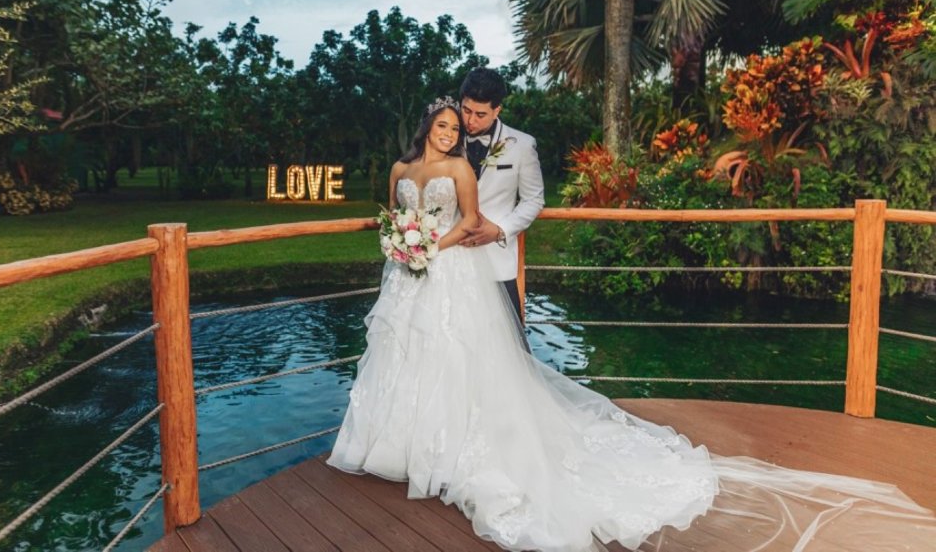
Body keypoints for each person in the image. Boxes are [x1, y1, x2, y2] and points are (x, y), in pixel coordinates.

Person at [327, 97, 936, 552]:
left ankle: (453, 447)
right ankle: (402, 447)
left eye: (461, 124)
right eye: (448, 123)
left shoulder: (489, 159)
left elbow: (492, 213)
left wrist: (440, 246)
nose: (456, 130)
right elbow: (389, 216)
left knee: (464, 357)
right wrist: (401, 247)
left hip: (457, 267)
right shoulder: (402, 169)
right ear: (429, 125)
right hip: (409, 276)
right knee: (407, 354)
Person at [458, 67, 544, 326]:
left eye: (481, 114)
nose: (471, 120)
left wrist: (500, 230)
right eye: (466, 110)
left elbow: (534, 199)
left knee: (507, 351)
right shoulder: (443, 140)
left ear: (497, 110)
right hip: (452, 263)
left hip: (497, 264)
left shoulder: (522, 145)